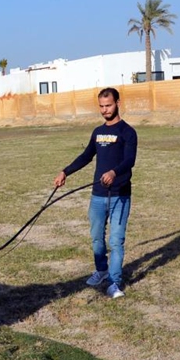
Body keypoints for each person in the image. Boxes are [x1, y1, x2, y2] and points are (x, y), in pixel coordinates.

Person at [54, 87, 137, 299]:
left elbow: (129, 161)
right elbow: (86, 156)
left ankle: (114, 283)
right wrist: (66, 171)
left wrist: (114, 172)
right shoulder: (98, 133)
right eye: (101, 106)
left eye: (108, 105)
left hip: (120, 195)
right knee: (97, 239)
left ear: (118, 103)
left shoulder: (128, 132)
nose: (104, 110)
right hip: (98, 195)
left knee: (116, 241)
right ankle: (101, 271)